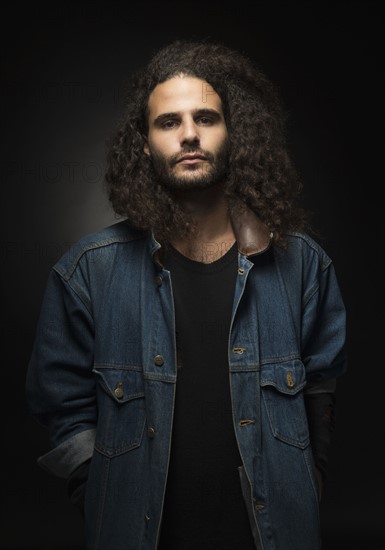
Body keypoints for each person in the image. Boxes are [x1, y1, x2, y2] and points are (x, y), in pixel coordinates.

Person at [25, 39, 347, 550]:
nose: (190, 134)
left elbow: (321, 384)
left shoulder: (302, 264)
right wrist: (100, 491)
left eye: (206, 117)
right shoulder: (89, 271)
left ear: (234, 132)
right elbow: (59, 400)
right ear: (145, 143)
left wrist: (310, 480)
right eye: (169, 122)